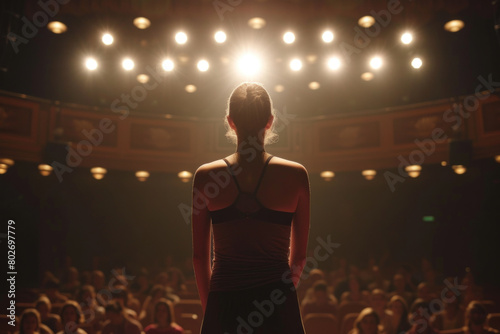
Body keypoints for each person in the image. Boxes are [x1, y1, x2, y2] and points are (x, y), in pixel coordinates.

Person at [192, 82, 310, 334]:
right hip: (277, 304)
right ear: (269, 121)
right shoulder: (296, 175)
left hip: (224, 302)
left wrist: (212, 309)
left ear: (230, 121)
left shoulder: (205, 177)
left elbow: (199, 258)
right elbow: (299, 259)